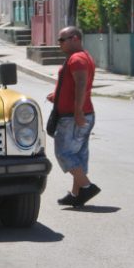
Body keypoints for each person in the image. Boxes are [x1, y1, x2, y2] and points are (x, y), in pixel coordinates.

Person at [47, 26, 100, 207]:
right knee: (78, 154)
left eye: (63, 40)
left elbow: (81, 85)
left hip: (73, 117)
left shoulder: (77, 59)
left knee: (64, 153)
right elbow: (72, 86)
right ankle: (76, 194)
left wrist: (77, 111)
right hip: (79, 113)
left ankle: (87, 186)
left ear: (75, 38)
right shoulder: (81, 57)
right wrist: (57, 96)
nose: (59, 43)